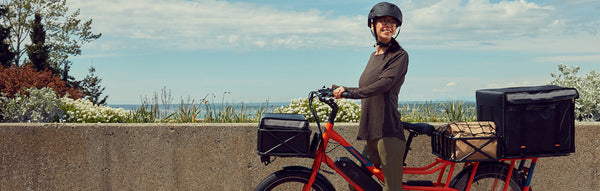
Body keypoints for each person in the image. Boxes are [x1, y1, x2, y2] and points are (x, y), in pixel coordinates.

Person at [332, 2, 408, 191]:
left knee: (392, 188)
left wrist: (350, 94)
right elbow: (367, 86)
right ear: (373, 25)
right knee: (356, 184)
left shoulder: (399, 55)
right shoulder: (373, 56)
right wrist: (339, 89)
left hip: (388, 132)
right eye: (383, 21)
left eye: (392, 22)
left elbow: (383, 84)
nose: (388, 25)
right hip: (371, 132)